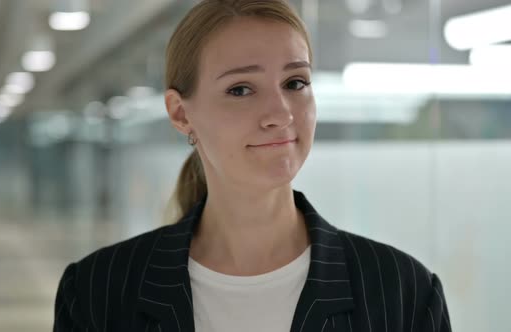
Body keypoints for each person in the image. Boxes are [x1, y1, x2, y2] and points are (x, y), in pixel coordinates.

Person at [53, 0, 452, 331]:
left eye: (295, 83)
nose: (280, 113)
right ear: (180, 113)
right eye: (240, 89)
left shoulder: (403, 293)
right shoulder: (97, 293)